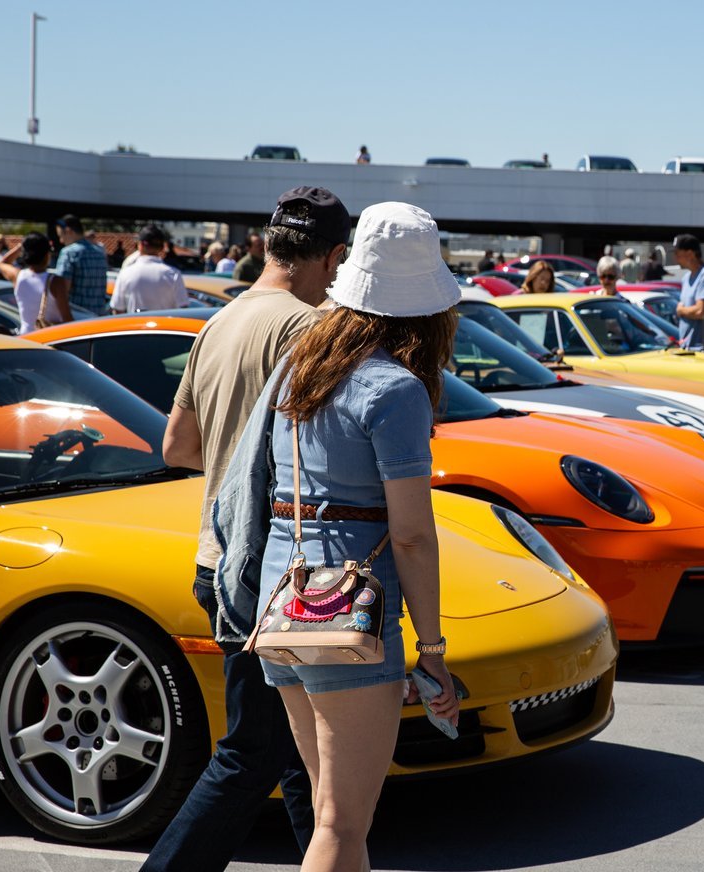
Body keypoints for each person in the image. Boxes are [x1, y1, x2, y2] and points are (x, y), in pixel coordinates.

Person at [248, 201, 460, 872]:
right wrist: (432, 649)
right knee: (342, 824)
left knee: (333, 817)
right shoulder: (395, 390)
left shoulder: (297, 370)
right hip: (352, 616)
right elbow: (413, 538)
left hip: (284, 607)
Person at [144, 187, 350, 872]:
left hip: (218, 557)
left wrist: (234, 469)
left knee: (298, 753)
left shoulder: (219, 322)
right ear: (334, 257)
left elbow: (176, 444)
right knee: (253, 751)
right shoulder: (306, 327)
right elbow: (312, 456)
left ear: (266, 242)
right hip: (270, 565)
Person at [111, 224, 188, 313]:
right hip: (165, 326)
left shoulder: (126, 273)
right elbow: (183, 308)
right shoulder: (173, 274)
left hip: (134, 325)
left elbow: (118, 309)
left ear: (140, 245)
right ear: (162, 247)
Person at [0, 233, 64, 333]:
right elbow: (67, 319)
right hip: (50, 337)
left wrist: (22, 246)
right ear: (47, 254)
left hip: (26, 336)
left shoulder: (18, 276)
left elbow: (2, 263)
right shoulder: (56, 281)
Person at [53, 214, 110, 318]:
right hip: (100, 317)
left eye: (61, 236)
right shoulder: (100, 253)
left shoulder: (68, 253)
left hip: (77, 318)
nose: (61, 241)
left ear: (69, 231)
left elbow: (61, 290)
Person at [672, 233, 704, 351]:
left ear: (690, 253)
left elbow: (700, 311)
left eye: (677, 253)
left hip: (701, 349)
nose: (675, 258)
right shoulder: (686, 277)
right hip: (686, 347)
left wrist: (681, 310)